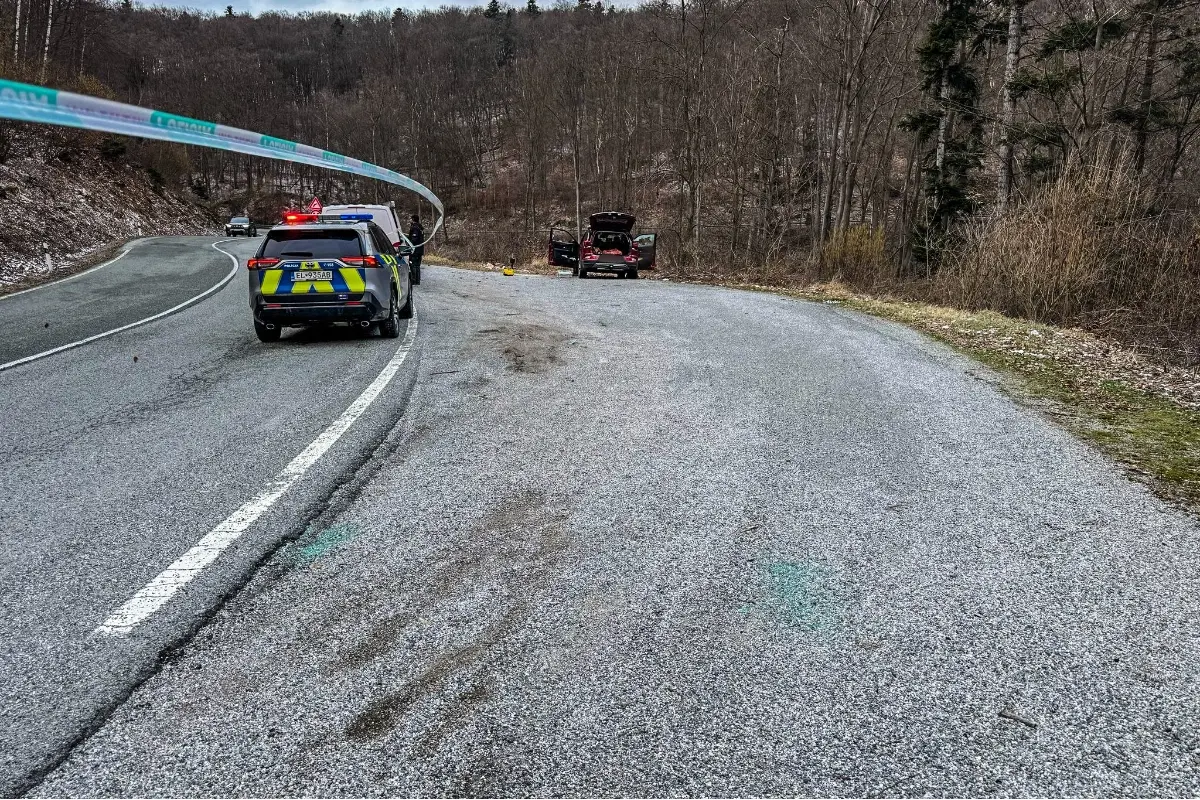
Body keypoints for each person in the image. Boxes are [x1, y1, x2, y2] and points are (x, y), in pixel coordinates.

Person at [407, 214, 424, 284]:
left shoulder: (415, 228)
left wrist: (408, 243)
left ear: (413, 219)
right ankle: (417, 280)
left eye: (411, 219)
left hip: (415, 250)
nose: (410, 220)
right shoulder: (420, 227)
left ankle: (414, 280)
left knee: (413, 264)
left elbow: (414, 239)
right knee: (417, 265)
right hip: (420, 250)